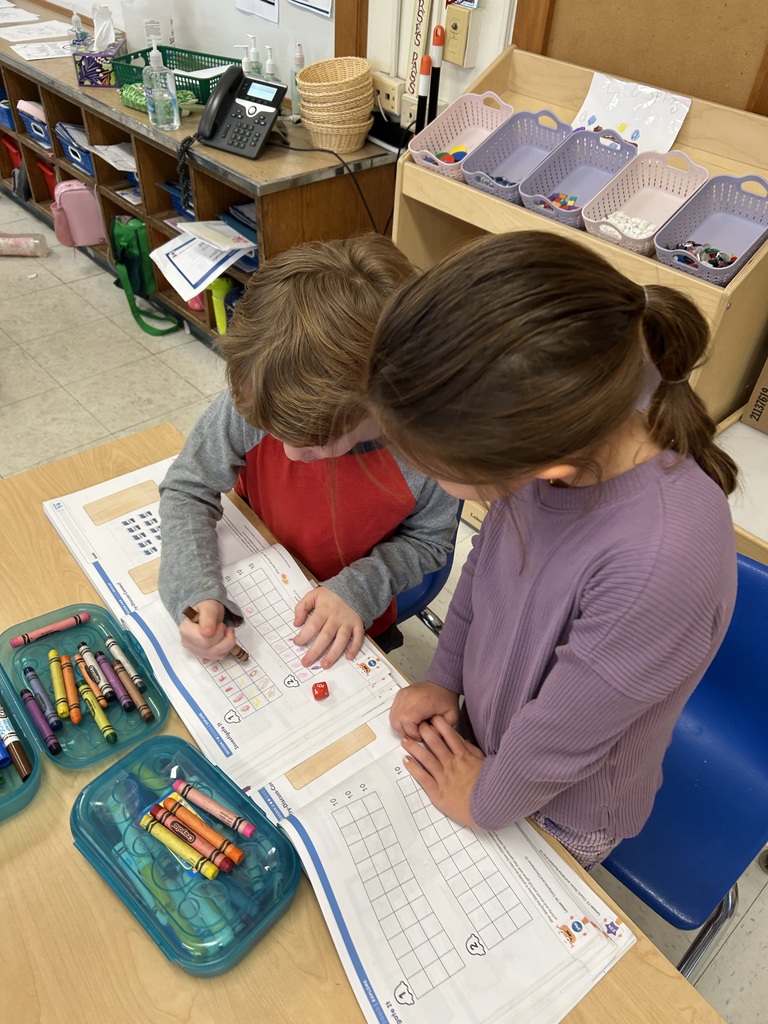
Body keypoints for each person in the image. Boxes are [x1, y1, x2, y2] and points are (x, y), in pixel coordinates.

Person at [362, 230, 738, 870]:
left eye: (438, 470)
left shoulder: (659, 559)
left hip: (564, 807)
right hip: (496, 744)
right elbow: (484, 575)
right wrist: (445, 680)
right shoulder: (554, 454)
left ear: (547, 462)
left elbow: (566, 736)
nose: (427, 479)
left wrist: (484, 800)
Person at [158, 234, 459, 671]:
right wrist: (192, 590)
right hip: (260, 565)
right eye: (271, 431)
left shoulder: (429, 452)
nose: (291, 454)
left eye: (315, 442)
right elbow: (189, 486)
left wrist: (360, 588)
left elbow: (430, 541)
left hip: (350, 614)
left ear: (381, 402)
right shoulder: (263, 392)